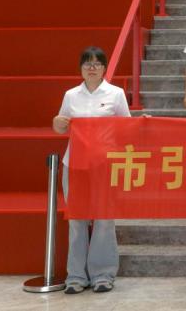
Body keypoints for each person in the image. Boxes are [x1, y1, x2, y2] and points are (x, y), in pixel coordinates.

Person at [52, 46, 130, 294]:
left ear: (104, 68)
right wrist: (57, 123)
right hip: (75, 164)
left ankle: (103, 274)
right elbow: (61, 127)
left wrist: (144, 124)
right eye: (87, 63)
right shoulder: (71, 95)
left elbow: (126, 127)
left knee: (104, 219)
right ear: (81, 68)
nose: (92, 68)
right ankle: (76, 276)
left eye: (97, 63)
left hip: (104, 164)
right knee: (77, 219)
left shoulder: (116, 94)